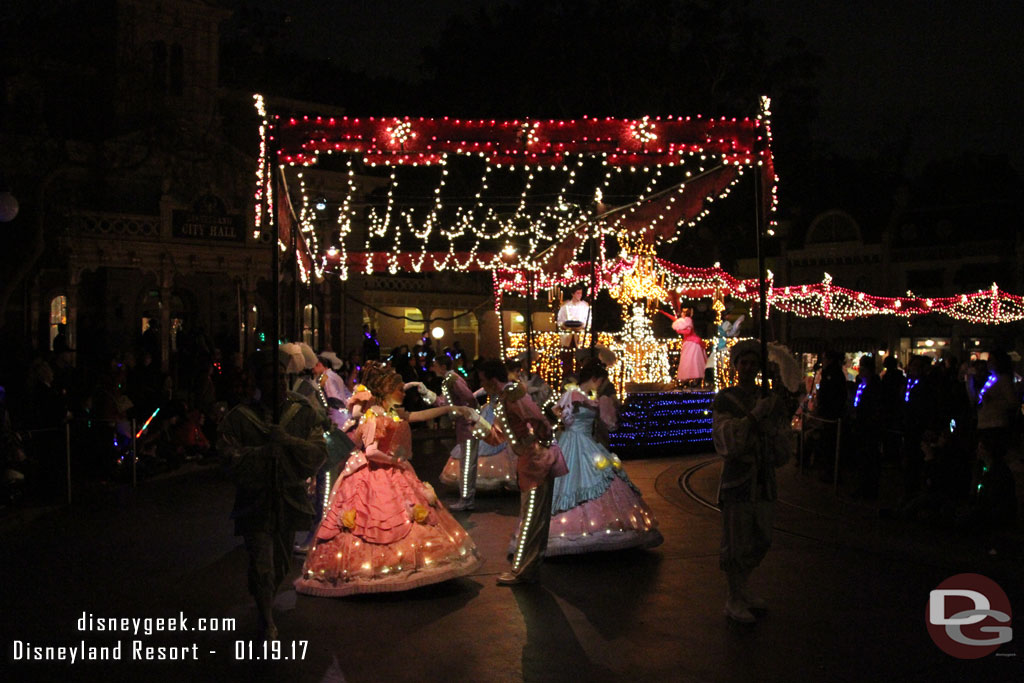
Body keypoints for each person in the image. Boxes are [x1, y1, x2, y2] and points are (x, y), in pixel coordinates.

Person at [294, 362, 482, 597]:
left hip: (394, 470)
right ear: (385, 390)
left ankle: (403, 564)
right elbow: (371, 451)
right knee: (375, 522)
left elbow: (419, 415)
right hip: (374, 472)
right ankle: (376, 568)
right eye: (399, 389)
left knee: (406, 518)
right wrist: (396, 461)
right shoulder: (372, 416)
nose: (403, 393)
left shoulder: (392, 412)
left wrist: (452, 409)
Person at [217, 349, 327, 640]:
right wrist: (264, 453)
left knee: (280, 565)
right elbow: (228, 459)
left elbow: (318, 452)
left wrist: (289, 441)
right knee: (262, 563)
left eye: (281, 376)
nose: (277, 382)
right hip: (256, 501)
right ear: (258, 380)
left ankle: (264, 595)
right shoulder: (240, 417)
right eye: (270, 377)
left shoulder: (302, 411)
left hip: (288, 500)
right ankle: (266, 618)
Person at [712, 339, 794, 623]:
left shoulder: (767, 397)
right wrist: (752, 417)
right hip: (738, 481)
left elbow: (782, 440)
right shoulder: (725, 398)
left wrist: (773, 427)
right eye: (743, 363)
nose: (747, 368)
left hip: (763, 479)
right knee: (736, 541)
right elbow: (726, 440)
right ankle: (733, 597)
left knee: (762, 537)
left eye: (752, 363)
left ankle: (743, 587)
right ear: (736, 366)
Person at [546, 360, 662, 555]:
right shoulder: (575, 394)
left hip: (583, 441)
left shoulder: (585, 396)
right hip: (576, 440)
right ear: (594, 379)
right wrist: (567, 420)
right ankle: (580, 525)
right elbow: (558, 409)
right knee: (580, 480)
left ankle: (592, 525)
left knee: (592, 478)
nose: (599, 386)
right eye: (599, 381)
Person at [472, 359, 568, 585]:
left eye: (483, 380)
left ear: (492, 379)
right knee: (533, 518)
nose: (482, 384)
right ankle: (527, 568)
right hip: (529, 462)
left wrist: (537, 444)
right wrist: (475, 421)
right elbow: (497, 436)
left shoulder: (513, 395)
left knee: (532, 519)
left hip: (536, 462)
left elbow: (538, 419)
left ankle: (523, 571)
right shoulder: (504, 399)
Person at [412, 354, 480, 510]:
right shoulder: (449, 380)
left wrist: (469, 414)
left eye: (435, 364)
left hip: (468, 426)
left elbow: (468, 397)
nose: (432, 368)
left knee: (468, 464)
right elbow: (442, 402)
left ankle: (467, 499)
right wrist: (426, 393)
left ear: (443, 367)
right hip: (464, 426)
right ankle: (466, 499)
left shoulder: (452, 380)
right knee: (467, 463)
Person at [672, 314, 707, 386]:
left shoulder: (688, 320)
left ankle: (695, 379)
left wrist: (679, 330)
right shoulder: (684, 320)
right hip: (689, 342)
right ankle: (688, 379)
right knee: (687, 360)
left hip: (693, 343)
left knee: (692, 360)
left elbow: (688, 331)